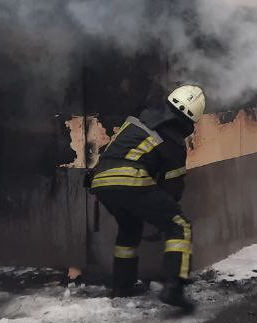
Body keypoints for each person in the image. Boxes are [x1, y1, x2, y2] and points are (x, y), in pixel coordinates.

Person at [88, 84, 205, 309]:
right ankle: (175, 287)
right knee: (179, 225)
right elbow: (173, 191)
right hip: (131, 179)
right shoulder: (174, 142)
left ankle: (123, 286)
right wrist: (162, 217)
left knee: (129, 228)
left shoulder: (137, 119)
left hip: (100, 180)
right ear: (192, 119)